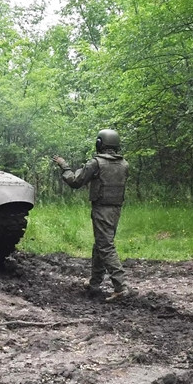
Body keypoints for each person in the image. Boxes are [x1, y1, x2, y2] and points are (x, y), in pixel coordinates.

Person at [53, 129, 130, 302]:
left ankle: (121, 286)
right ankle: (95, 283)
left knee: (105, 246)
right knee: (100, 245)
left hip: (102, 209)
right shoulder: (124, 164)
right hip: (115, 209)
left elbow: (75, 181)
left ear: (99, 143)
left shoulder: (96, 163)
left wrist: (64, 166)